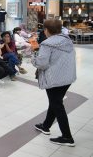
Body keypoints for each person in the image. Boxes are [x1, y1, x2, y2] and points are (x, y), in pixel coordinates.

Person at [32, 19, 76, 147]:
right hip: (67, 78)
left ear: (46, 30)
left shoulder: (47, 44)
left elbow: (42, 64)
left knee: (57, 105)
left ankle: (67, 137)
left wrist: (34, 56)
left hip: (54, 79)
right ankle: (46, 126)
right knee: (55, 102)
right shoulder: (67, 40)